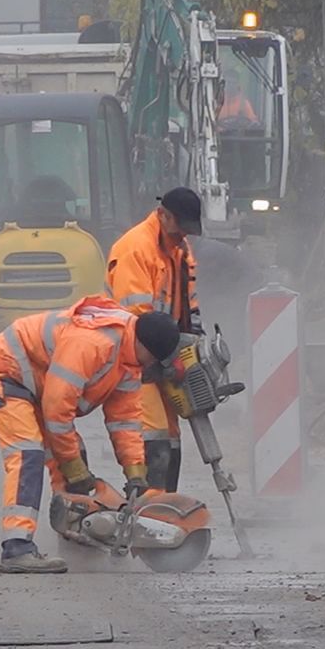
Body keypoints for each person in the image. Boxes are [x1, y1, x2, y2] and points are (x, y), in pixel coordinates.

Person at [0, 297, 184, 573]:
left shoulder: (128, 360)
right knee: (28, 455)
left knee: (73, 461)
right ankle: (16, 549)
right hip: (4, 373)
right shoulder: (94, 343)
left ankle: (75, 541)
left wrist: (136, 475)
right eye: (155, 361)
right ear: (147, 349)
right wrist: (74, 467)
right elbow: (57, 412)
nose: (153, 369)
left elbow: (125, 422)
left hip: (38, 388)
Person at [105, 187, 206, 492]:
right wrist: (166, 357)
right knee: (153, 434)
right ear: (163, 216)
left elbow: (187, 303)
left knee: (171, 436)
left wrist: (191, 346)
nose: (182, 237)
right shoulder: (135, 249)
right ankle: (147, 513)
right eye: (180, 229)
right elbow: (136, 318)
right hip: (138, 357)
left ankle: (166, 506)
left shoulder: (178, 248)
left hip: (164, 354)